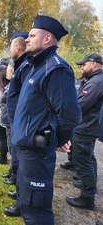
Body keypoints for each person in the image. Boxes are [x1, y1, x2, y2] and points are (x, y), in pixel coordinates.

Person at [12, 15, 82, 224]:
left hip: (37, 153)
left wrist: (58, 140)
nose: (27, 39)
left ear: (47, 39)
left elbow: (70, 114)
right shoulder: (37, 65)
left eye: (32, 35)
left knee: (36, 210)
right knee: (27, 203)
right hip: (27, 150)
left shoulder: (56, 69)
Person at [66, 53, 103, 210]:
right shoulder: (95, 80)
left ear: (93, 64)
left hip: (85, 128)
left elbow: (79, 105)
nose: (81, 68)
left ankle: (87, 198)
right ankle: (89, 186)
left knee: (83, 162)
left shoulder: (95, 83)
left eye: (84, 65)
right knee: (89, 158)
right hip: (89, 126)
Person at [4, 31, 30, 217]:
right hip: (16, 122)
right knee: (18, 161)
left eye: (11, 46)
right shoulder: (20, 66)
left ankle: (22, 203)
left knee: (22, 164)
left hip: (21, 123)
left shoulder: (27, 66)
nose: (10, 49)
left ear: (17, 47)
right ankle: (20, 195)